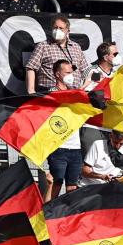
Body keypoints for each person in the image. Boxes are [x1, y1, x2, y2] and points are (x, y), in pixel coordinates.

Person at [46, 60, 84, 198]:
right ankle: (49, 214)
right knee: (56, 183)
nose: (71, 75)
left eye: (72, 72)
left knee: (72, 187)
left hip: (76, 148)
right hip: (58, 148)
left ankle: (67, 217)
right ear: (57, 74)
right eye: (67, 72)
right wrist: (81, 90)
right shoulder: (52, 92)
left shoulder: (74, 93)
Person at [25, 14, 88, 94]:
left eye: (61, 28)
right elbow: (30, 67)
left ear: (67, 31)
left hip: (73, 93)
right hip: (50, 93)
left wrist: (84, 89)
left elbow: (85, 71)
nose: (57, 30)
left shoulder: (76, 47)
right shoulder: (43, 46)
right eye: (55, 28)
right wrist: (31, 91)